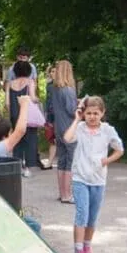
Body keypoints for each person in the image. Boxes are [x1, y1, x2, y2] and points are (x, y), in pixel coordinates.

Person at [63, 96, 124, 253]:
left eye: (96, 113)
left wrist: (107, 160)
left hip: (98, 180)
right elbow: (67, 138)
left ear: (102, 113)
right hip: (80, 178)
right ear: (84, 113)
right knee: (82, 214)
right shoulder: (80, 128)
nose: (92, 117)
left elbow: (119, 149)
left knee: (92, 217)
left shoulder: (107, 130)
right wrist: (76, 119)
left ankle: (87, 248)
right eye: (88, 113)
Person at [47, 60, 79, 203]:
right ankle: (67, 195)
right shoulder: (68, 90)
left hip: (58, 128)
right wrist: (82, 105)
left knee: (62, 161)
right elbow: (72, 111)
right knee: (70, 162)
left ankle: (62, 194)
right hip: (69, 129)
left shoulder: (54, 89)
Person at [7, 61, 40, 176]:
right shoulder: (30, 82)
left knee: (16, 140)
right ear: (28, 71)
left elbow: (7, 103)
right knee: (29, 140)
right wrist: (37, 101)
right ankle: (27, 168)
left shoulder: (10, 83)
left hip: (14, 114)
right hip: (26, 114)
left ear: (15, 71)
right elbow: (32, 98)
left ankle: (17, 166)